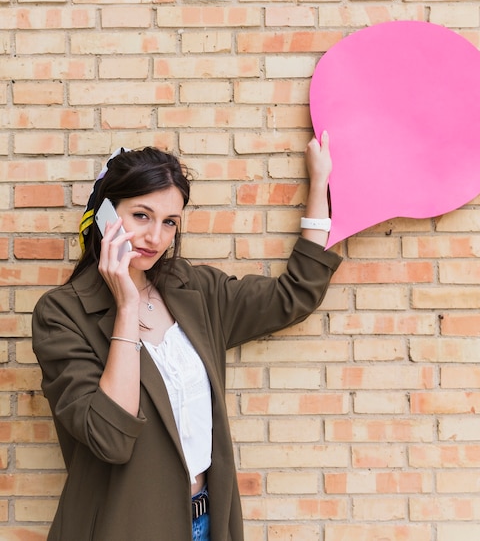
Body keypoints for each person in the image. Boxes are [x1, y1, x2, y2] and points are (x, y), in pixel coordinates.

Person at [31, 132, 342, 541]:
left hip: (204, 524)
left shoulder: (194, 290)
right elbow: (110, 439)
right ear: (106, 214)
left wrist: (320, 183)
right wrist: (126, 307)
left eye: (169, 222)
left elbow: (292, 296)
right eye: (141, 215)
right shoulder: (62, 314)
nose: (155, 237)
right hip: (122, 528)